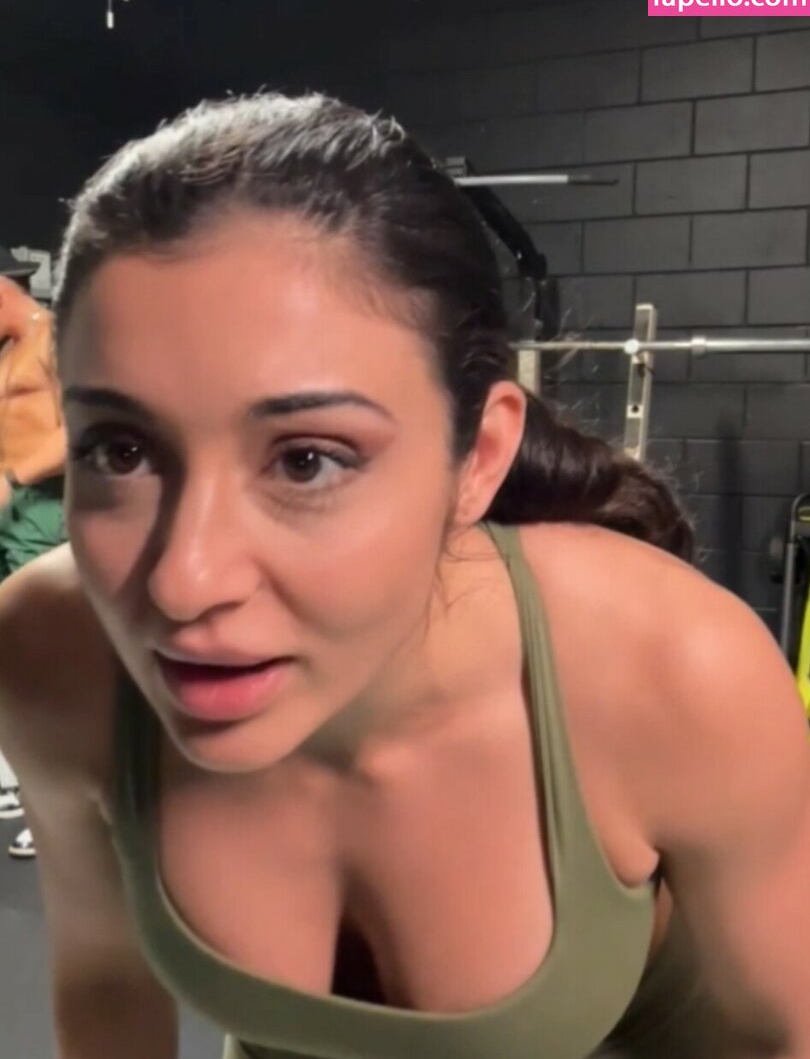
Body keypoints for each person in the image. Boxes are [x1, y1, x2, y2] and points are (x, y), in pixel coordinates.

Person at [0, 93, 807, 1059]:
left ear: (480, 457)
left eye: (307, 461)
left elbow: (783, 1038)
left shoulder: (677, 673)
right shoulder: (52, 651)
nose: (184, 582)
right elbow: (104, 990)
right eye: (121, 450)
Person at [0, 252, 67, 859]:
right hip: (10, 509)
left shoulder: (54, 339)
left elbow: (76, 432)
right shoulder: (6, 352)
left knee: (46, 653)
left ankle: (57, 808)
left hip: (45, 507)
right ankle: (20, 781)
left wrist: (14, 478)